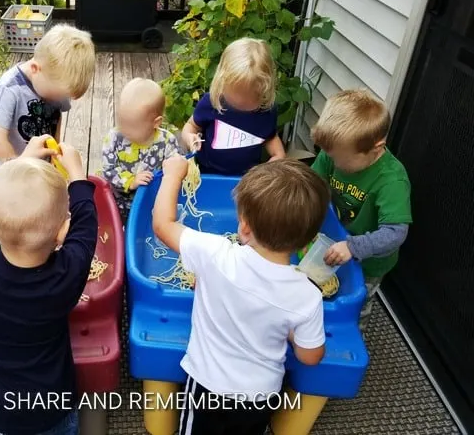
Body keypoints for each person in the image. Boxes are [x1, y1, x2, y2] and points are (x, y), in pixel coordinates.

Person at [153, 157, 329, 435]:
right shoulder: (307, 295)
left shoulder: (215, 254)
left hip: (207, 387)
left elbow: (162, 225)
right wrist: (292, 331)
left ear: (245, 228)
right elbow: (310, 356)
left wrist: (173, 174)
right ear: (308, 240)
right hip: (259, 397)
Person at [0, 135, 97, 435]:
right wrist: (77, 175)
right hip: (50, 414)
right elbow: (86, 226)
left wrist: (22, 159)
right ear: (63, 230)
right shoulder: (66, 275)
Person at [311, 90, 412, 331]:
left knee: (355, 304)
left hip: (369, 262)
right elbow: (313, 184)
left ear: (376, 148)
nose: (334, 164)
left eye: (341, 160)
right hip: (334, 239)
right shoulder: (334, 152)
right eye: (331, 156)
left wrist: (353, 247)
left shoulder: (391, 181)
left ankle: (352, 334)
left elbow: (396, 233)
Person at [0, 24, 96, 177]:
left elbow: (56, 118)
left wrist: (55, 152)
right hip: (8, 171)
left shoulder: (55, 84)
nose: (58, 100)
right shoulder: (9, 89)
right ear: (35, 69)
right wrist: (18, 167)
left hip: (40, 169)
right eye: (55, 95)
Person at [181, 38, 285, 176]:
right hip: (206, 174)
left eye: (249, 100)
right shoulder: (212, 102)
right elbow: (191, 125)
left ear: (263, 92)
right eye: (235, 96)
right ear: (222, 82)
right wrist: (189, 136)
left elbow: (270, 137)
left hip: (246, 179)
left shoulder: (266, 112)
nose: (240, 102)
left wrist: (278, 156)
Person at [101, 78, 180, 222]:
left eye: (132, 126)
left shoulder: (167, 142)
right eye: (121, 122)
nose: (124, 129)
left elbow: (174, 170)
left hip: (151, 204)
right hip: (119, 204)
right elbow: (108, 170)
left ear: (156, 122)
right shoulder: (115, 137)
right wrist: (130, 181)